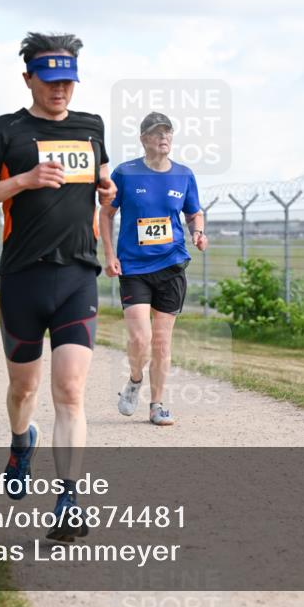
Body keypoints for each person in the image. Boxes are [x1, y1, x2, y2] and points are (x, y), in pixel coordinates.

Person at [0, 31, 115, 541]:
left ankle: (70, 498)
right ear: (28, 77)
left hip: (77, 273)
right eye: (50, 81)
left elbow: (100, 181)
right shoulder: (5, 130)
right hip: (23, 277)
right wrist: (23, 181)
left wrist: (107, 188)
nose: (61, 91)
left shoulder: (91, 126)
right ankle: (18, 441)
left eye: (68, 81)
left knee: (70, 390)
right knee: (23, 388)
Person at [100, 112, 207, 426]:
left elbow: (194, 212)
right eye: (157, 133)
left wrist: (198, 231)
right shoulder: (126, 173)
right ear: (144, 139)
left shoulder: (184, 175)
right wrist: (109, 254)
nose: (164, 138)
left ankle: (157, 404)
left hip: (171, 264)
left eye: (168, 132)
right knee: (140, 340)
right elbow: (105, 214)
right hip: (133, 266)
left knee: (161, 342)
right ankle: (134, 380)